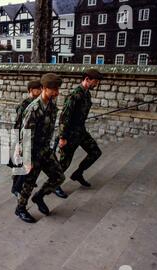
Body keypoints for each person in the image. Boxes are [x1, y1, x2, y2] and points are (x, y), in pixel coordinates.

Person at [15, 73, 66, 223]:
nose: (56, 92)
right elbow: (25, 135)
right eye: (53, 89)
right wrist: (27, 160)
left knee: (59, 177)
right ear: (43, 88)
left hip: (45, 150)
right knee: (28, 184)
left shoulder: (51, 105)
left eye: (57, 89)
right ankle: (21, 209)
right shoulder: (33, 109)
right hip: (33, 151)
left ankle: (39, 197)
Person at [55, 68, 103, 199]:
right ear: (87, 79)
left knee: (95, 152)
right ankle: (54, 184)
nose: (96, 84)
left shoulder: (87, 94)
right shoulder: (74, 95)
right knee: (64, 162)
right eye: (95, 81)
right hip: (70, 134)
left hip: (81, 131)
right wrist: (62, 137)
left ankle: (78, 173)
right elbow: (64, 117)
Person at [11, 80, 42, 197]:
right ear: (31, 90)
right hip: (23, 138)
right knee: (21, 164)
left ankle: (22, 183)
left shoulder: (38, 103)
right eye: (37, 89)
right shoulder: (24, 105)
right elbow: (17, 125)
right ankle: (15, 188)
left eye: (41, 88)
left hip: (32, 138)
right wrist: (18, 143)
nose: (40, 91)